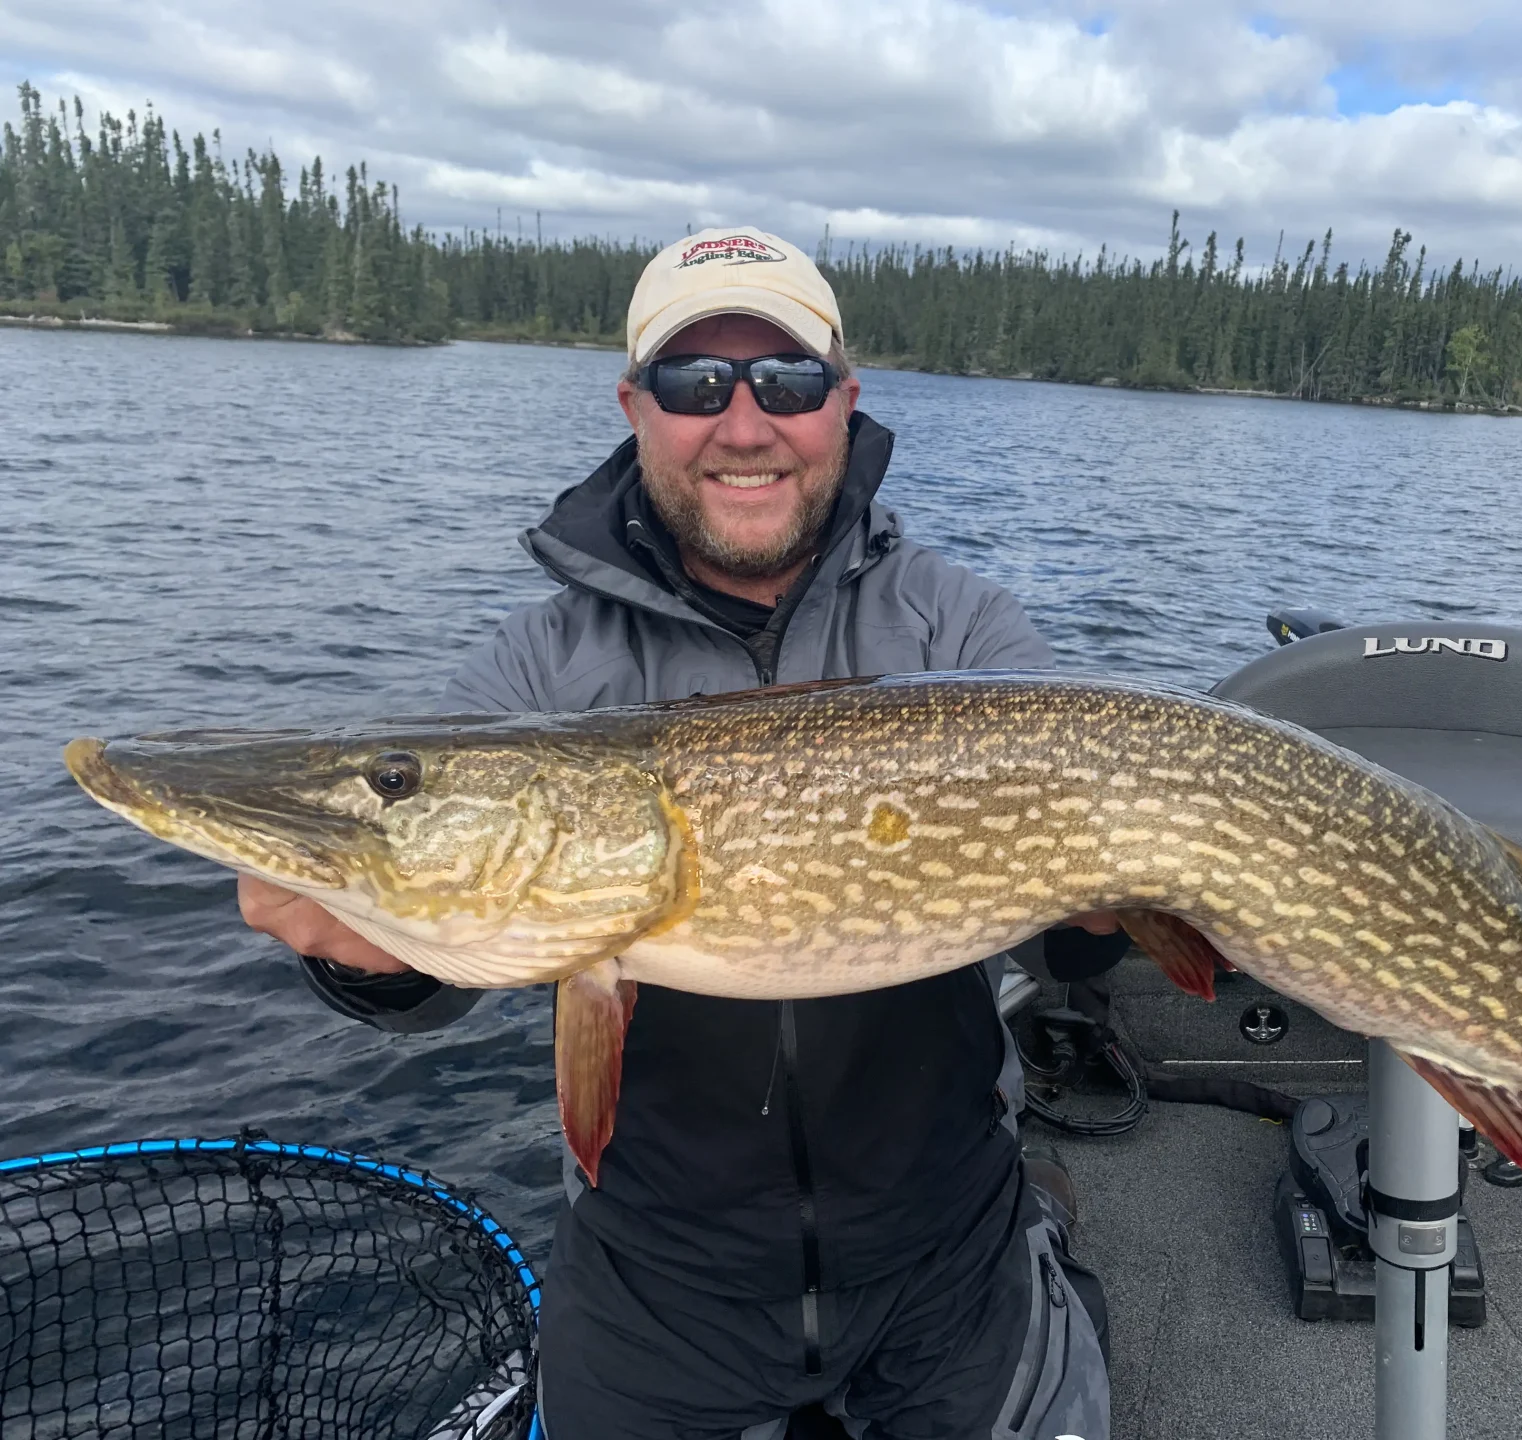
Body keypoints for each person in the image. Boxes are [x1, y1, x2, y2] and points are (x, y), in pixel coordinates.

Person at [237, 226, 1123, 1440]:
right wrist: (356, 953)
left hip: (945, 1244)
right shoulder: (538, 667)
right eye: (695, 383)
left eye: (789, 382)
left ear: (844, 405)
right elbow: (445, 973)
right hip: (660, 1279)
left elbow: (1065, 954)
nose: (745, 423)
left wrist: (1111, 914)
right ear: (634, 407)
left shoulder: (956, 627)